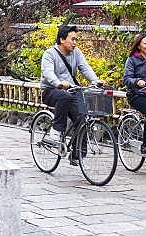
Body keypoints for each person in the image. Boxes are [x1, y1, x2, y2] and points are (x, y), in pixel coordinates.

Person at [40, 25, 101, 159]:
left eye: (76, 40)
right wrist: (58, 83)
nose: (75, 43)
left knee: (83, 117)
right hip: (51, 90)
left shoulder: (76, 53)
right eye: (72, 39)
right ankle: (56, 130)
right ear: (62, 39)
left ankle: (77, 154)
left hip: (72, 91)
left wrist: (96, 80)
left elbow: (85, 68)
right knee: (64, 96)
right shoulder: (49, 54)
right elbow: (48, 72)